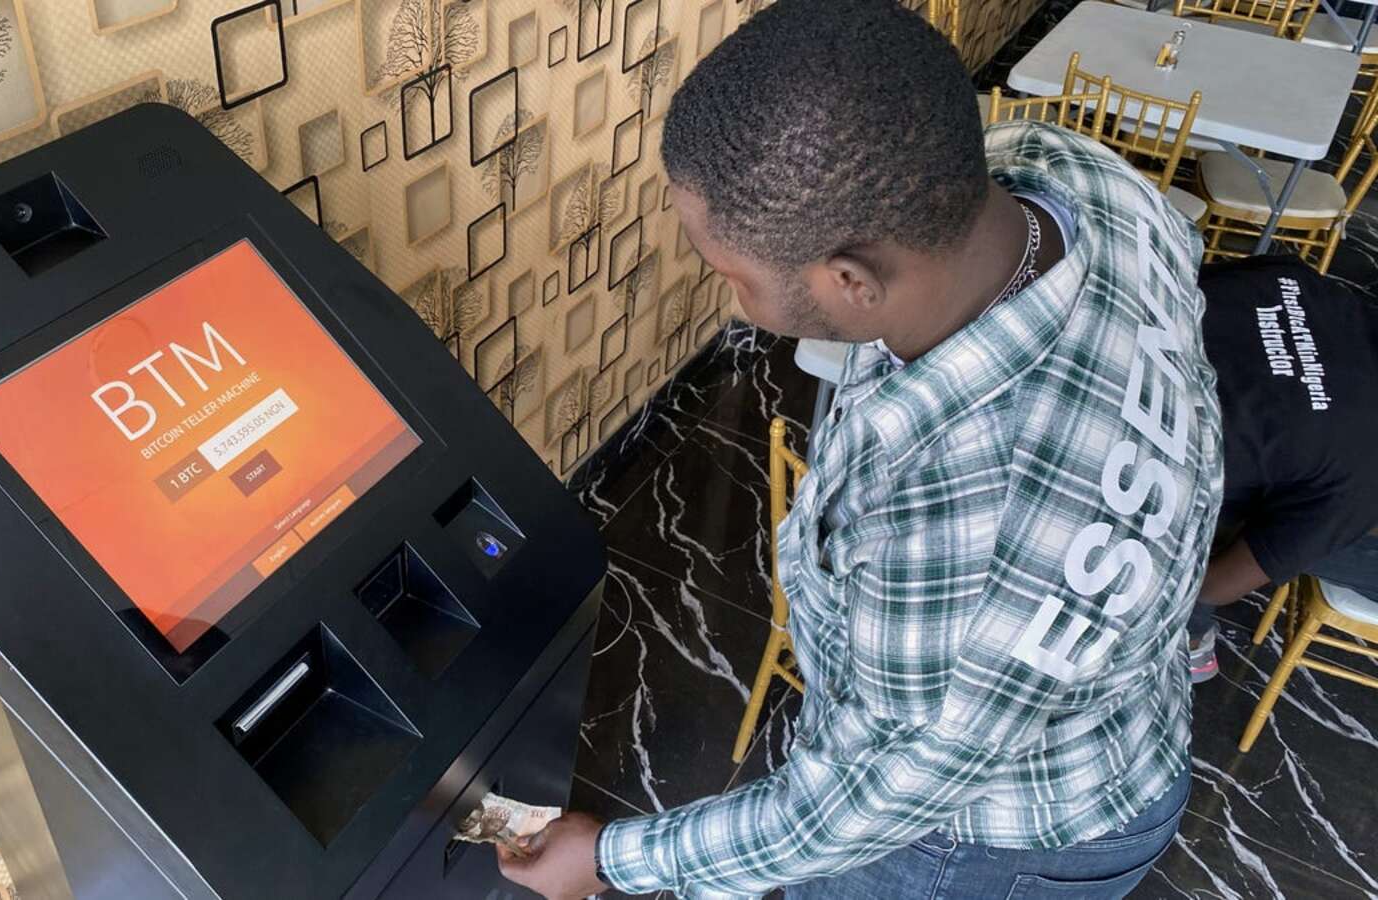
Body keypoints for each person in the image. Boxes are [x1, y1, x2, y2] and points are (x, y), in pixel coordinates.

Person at [497, 0, 1224, 896]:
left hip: (988, 844)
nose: (729, 300)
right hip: (1121, 726)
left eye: (734, 277)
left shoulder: (961, 522)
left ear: (851, 281)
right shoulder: (1080, 177)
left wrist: (613, 862)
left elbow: (855, 811)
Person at [1186, 256, 1378, 682]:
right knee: (1284, 518)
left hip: (1068, 343)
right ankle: (1189, 637)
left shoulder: (1295, 277)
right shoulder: (1364, 478)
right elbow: (1213, 585)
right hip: (1109, 479)